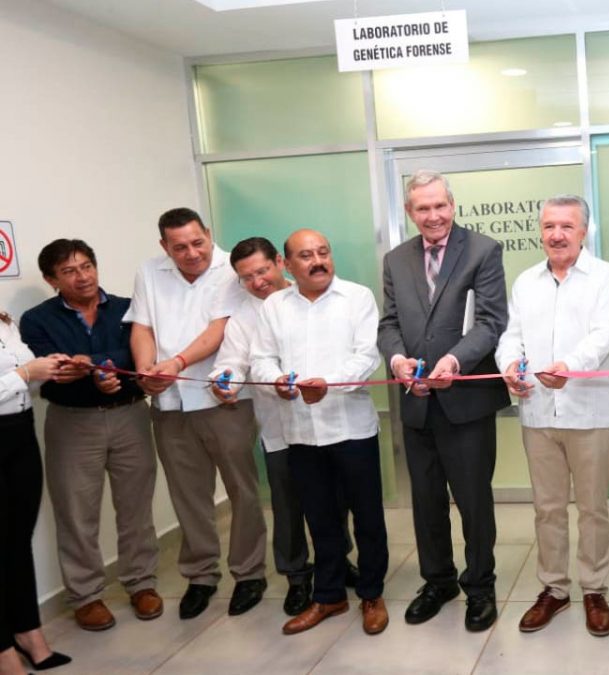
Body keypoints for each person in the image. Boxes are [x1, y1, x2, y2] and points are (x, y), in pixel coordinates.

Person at [378, 170, 510, 632]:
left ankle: (480, 587)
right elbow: (389, 322)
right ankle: (438, 581)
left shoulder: (483, 251)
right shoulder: (396, 259)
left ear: (452, 205)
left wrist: (454, 361)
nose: (432, 216)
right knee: (426, 500)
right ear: (410, 212)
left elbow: (492, 323)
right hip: (416, 402)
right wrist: (396, 360)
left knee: (473, 501)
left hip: (465, 401)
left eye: (440, 206)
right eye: (422, 208)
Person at [125, 207, 268, 619]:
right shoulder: (150, 272)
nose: (191, 253)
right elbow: (142, 327)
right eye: (180, 247)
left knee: (241, 490)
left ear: (209, 233)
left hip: (223, 400)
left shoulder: (231, 269)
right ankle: (201, 575)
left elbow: (219, 329)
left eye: (197, 242)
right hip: (169, 403)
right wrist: (146, 372)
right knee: (188, 494)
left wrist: (175, 364)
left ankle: (249, 572)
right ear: (164, 247)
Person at [495, 195, 609, 637]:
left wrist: (570, 365)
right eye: (549, 226)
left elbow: (604, 335)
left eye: (566, 226)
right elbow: (511, 336)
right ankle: (554, 588)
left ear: (584, 231)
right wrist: (509, 366)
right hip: (538, 412)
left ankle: (593, 588)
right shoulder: (527, 281)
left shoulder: (606, 277)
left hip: (590, 411)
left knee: (592, 508)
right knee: (547, 508)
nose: (556, 234)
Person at [208, 237, 357, 617]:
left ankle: (338, 563)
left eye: (262, 271)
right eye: (247, 278)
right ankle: (296, 576)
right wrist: (223, 379)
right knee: (288, 506)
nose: (257, 281)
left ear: (280, 263)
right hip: (280, 429)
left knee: (334, 501)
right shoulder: (244, 319)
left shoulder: (318, 297)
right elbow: (233, 363)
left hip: (327, 423)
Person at [250, 229, 389, 636]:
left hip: (352, 429)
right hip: (300, 432)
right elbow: (261, 359)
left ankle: (372, 593)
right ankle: (328, 596)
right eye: (306, 255)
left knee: (367, 518)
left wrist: (328, 382)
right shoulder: (275, 306)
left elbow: (367, 356)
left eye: (324, 252)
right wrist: (277, 380)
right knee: (321, 519)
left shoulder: (357, 297)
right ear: (287, 264)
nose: (318, 261)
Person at [18, 239, 161, 631]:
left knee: (136, 506)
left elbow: (137, 355)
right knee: (77, 514)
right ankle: (86, 595)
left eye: (86, 266)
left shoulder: (127, 307)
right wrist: (95, 368)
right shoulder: (36, 320)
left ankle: (141, 583)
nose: (82, 276)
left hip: (129, 414)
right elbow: (54, 369)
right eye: (69, 271)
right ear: (52, 280)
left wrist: (94, 365)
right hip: (72, 422)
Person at [0, 310, 72, 672]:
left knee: (17, 540)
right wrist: (26, 373)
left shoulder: (5, 322)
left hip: (19, 431)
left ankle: (27, 631)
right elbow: (20, 375)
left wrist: (49, 368)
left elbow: (24, 378)